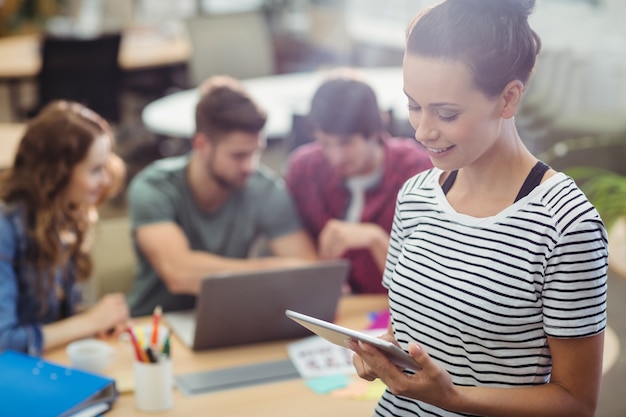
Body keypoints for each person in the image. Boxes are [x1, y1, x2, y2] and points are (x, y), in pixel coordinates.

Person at [348, 1, 608, 416]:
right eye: (414, 105)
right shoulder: (415, 196)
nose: (422, 130)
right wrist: (379, 356)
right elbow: (409, 334)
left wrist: (453, 399)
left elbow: (577, 403)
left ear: (508, 99)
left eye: (446, 113)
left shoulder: (565, 225)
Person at [126, 75, 317, 317]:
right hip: (154, 325)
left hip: (226, 322)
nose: (250, 166)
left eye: (255, 152)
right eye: (238, 155)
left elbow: (311, 272)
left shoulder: (265, 188)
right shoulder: (154, 187)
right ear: (202, 145)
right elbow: (179, 273)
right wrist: (269, 269)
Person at [285, 69, 432, 294]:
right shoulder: (304, 170)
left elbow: (427, 284)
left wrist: (375, 239)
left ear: (374, 131)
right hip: (332, 315)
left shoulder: (417, 172)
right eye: (324, 143)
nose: (335, 157)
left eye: (346, 143)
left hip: (394, 313)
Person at [0, 100, 130, 356]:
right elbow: (4, 341)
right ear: (56, 175)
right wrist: (89, 322)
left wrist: (94, 320)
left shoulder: (65, 212)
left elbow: (50, 316)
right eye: (95, 170)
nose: (105, 180)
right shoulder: (5, 228)